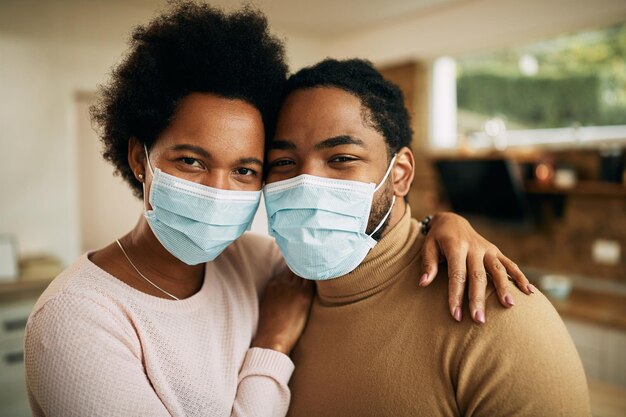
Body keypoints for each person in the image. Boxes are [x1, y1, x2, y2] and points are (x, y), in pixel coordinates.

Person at [25, 3, 531, 417]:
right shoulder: (75, 319)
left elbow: (349, 249)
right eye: (192, 161)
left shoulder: (254, 262)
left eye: (246, 170)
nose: (219, 190)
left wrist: (442, 224)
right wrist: (270, 348)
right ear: (140, 158)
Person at [265, 58, 592, 417]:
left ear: (401, 174)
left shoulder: (496, 318)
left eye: (342, 158)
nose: (308, 183)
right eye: (283, 162)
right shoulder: (271, 294)